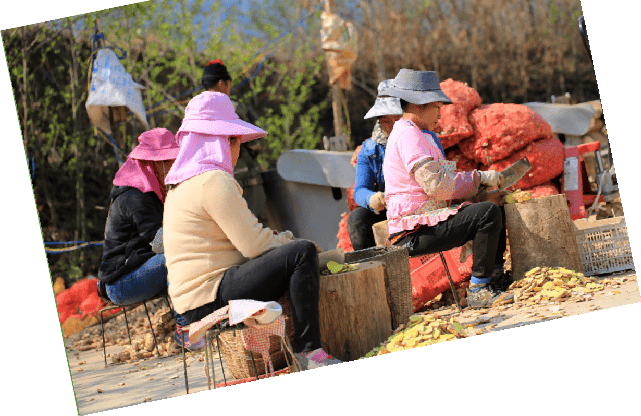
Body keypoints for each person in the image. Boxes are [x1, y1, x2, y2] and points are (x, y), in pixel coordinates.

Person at [162, 91, 341, 370]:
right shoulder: (213, 181)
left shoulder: (181, 186)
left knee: (292, 253)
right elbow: (254, 245)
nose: (238, 151)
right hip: (210, 295)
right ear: (225, 142)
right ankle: (309, 352)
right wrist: (293, 242)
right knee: (300, 253)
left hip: (191, 301)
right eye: (236, 142)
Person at [383, 69, 512, 309]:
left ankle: (494, 277)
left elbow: (444, 183)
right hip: (413, 231)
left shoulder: (421, 135)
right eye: (437, 107)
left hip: (427, 219)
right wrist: (479, 177)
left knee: (492, 207)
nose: (440, 114)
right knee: (487, 214)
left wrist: (480, 192)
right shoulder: (407, 135)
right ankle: (479, 289)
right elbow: (437, 186)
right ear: (418, 105)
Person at [97, 128, 179, 308]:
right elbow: (161, 244)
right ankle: (185, 326)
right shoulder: (134, 196)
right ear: (154, 164)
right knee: (183, 256)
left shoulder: (151, 192)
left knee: (192, 252)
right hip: (120, 283)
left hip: (138, 270)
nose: (174, 167)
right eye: (169, 162)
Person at [199, 59, 270, 226]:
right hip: (246, 183)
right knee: (258, 230)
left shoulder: (195, 113)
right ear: (222, 83)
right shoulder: (234, 108)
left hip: (215, 186)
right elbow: (257, 143)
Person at [347, 80, 403, 251]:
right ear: (379, 121)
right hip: (389, 206)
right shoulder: (369, 150)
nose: (393, 127)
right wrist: (372, 199)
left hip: (418, 206)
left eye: (398, 119)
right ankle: (371, 267)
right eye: (387, 121)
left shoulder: (425, 138)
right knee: (357, 219)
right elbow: (360, 190)